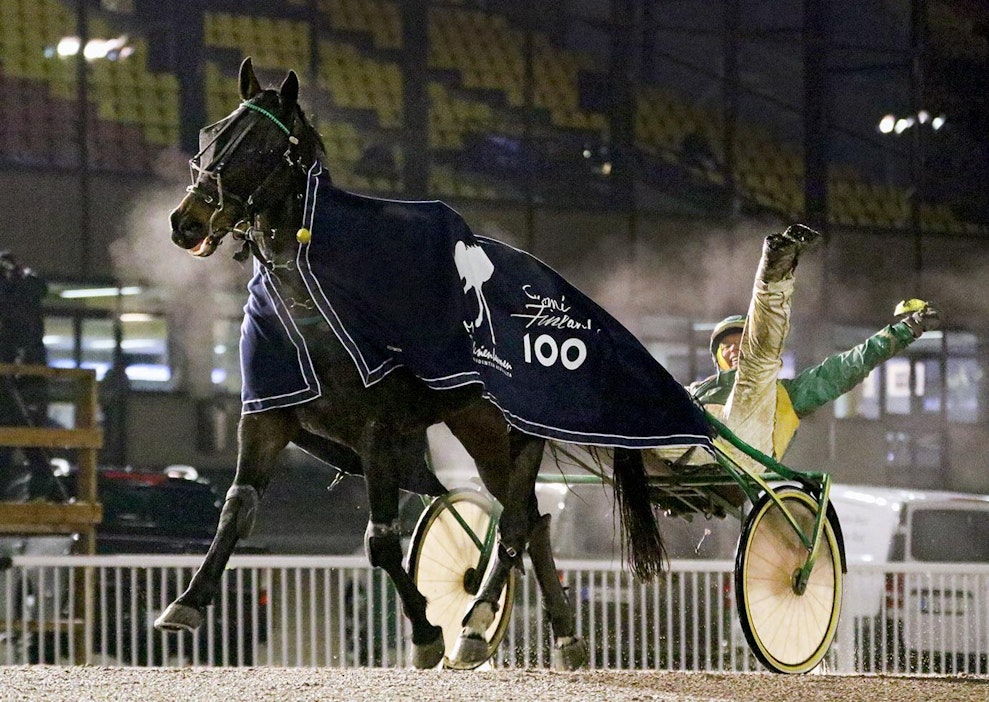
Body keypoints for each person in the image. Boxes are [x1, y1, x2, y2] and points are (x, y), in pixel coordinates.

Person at [689, 224, 941, 478]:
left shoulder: (786, 395)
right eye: (726, 347)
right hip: (688, 448)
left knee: (758, 365)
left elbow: (845, 367)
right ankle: (777, 269)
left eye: (741, 342)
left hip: (741, 450)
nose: (734, 350)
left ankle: (776, 270)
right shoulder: (697, 390)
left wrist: (906, 330)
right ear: (717, 357)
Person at [0, 251, 57, 501]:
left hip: (21, 370)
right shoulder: (23, 289)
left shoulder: (21, 291)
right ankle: (40, 478)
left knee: (20, 427)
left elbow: (19, 325)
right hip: (18, 369)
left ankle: (41, 480)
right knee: (16, 430)